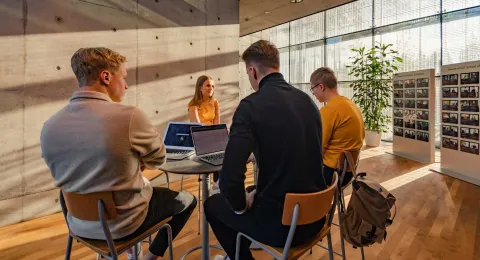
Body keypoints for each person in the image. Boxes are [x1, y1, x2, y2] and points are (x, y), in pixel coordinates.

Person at [40, 47, 197, 260]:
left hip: (76, 223)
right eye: (123, 77)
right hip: (123, 224)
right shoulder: (129, 117)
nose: (126, 84)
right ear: (106, 76)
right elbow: (159, 158)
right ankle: (148, 258)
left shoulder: (49, 127)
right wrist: (136, 161)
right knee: (188, 200)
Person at [204, 40, 327, 260]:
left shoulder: (250, 106)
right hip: (316, 217)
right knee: (252, 189)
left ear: (252, 71)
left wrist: (241, 207)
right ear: (276, 65)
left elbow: (230, 179)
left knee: (213, 204)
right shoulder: (308, 101)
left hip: (282, 226)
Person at [310, 67, 365, 186]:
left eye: (312, 89)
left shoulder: (329, 110)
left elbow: (318, 148)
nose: (313, 93)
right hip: (348, 170)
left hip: (331, 173)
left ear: (321, 87)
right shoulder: (350, 104)